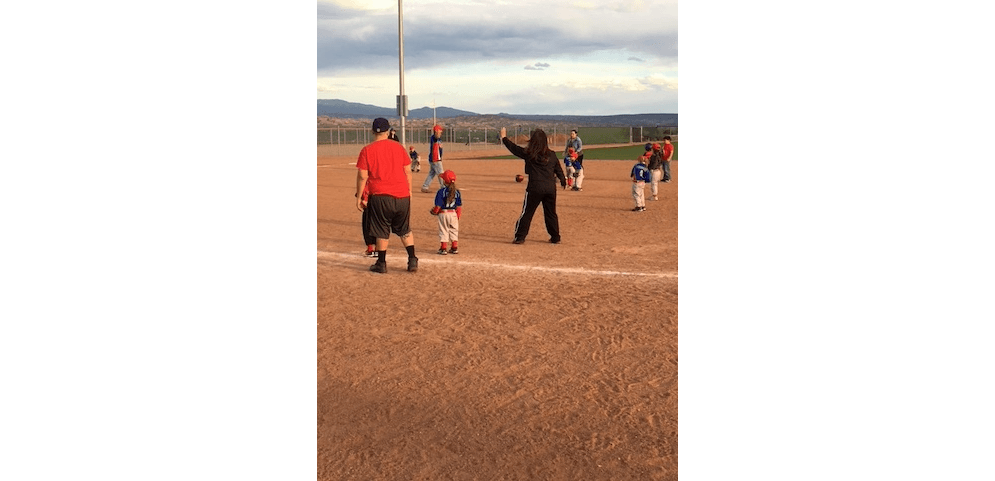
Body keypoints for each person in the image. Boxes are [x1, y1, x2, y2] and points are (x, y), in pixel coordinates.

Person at [355, 117, 419, 273]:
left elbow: (363, 176)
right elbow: (407, 171)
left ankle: (381, 263)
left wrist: (359, 197)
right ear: (389, 131)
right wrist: (409, 190)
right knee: (404, 229)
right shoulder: (398, 148)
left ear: (372, 131)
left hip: (380, 196)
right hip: (402, 195)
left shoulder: (367, 150)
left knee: (381, 229)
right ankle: (412, 259)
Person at [499, 127, 567, 244]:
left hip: (535, 187)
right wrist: (562, 180)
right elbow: (558, 169)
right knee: (551, 213)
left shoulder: (529, 154)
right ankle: (555, 237)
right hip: (550, 188)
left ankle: (520, 237)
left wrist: (504, 138)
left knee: (528, 212)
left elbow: (514, 148)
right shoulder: (552, 154)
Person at [430, 170, 462, 255]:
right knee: (454, 230)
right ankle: (454, 247)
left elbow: (438, 206)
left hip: (443, 213)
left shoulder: (441, 191)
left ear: (444, 181)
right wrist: (457, 216)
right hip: (453, 213)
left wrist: (434, 211)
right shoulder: (457, 192)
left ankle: (443, 248)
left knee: (444, 230)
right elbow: (459, 207)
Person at [420, 125, 445, 193]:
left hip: (437, 158)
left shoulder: (439, 139)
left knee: (432, 173)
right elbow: (436, 137)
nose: (441, 131)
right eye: (440, 130)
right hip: (435, 159)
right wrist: (436, 132)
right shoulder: (434, 138)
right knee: (441, 173)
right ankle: (443, 187)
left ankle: (425, 186)